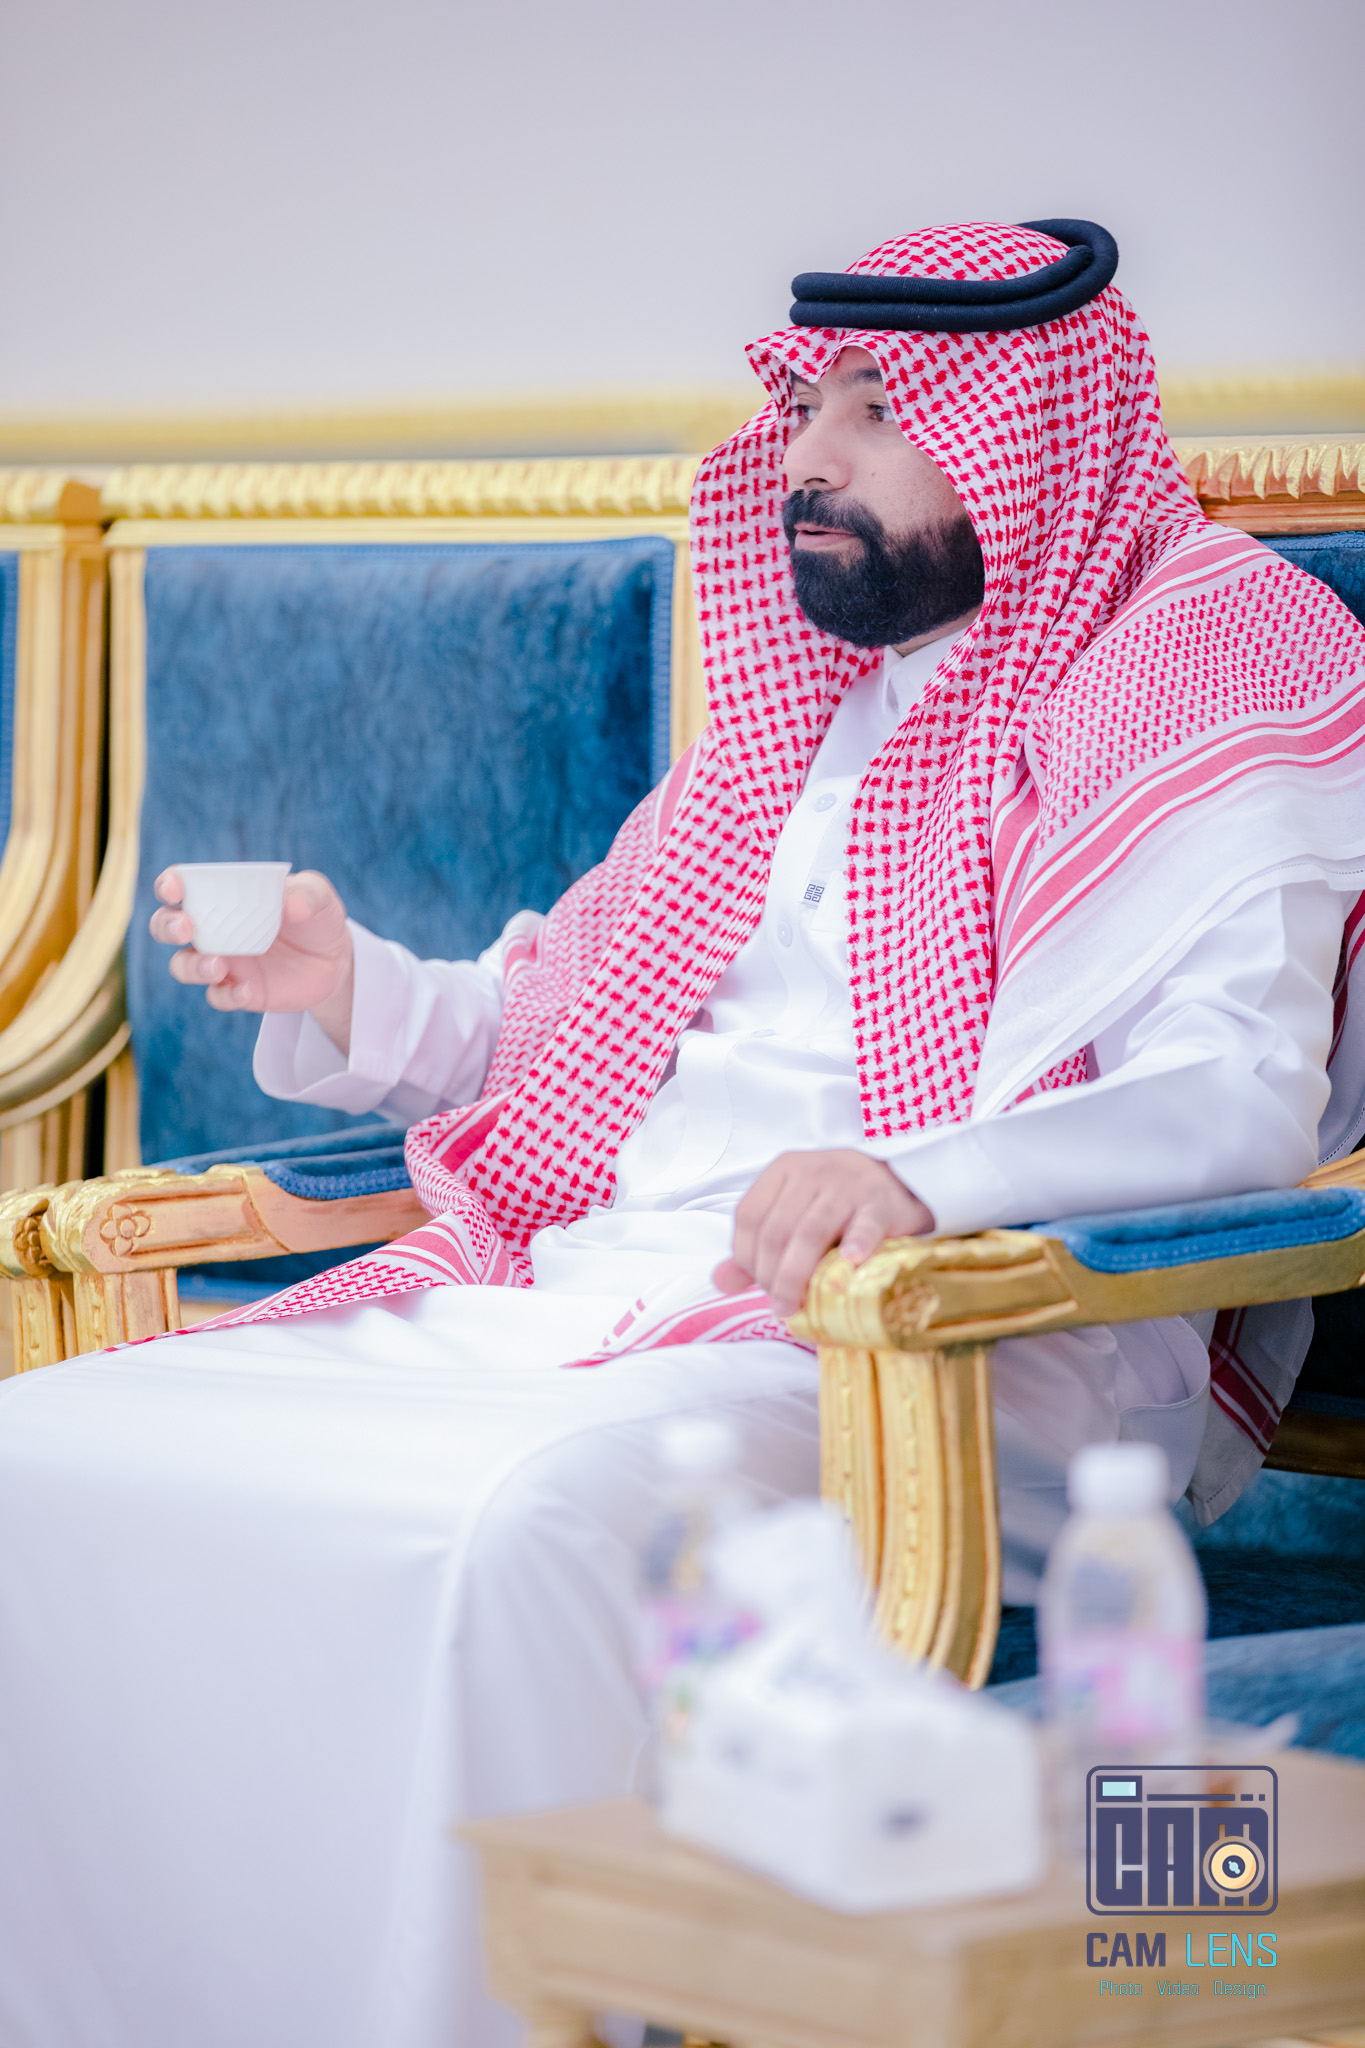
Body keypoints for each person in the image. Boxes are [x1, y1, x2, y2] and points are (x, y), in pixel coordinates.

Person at [2, 219, 1364, 2048]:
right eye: (804, 407)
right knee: (46, 1450)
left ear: (1033, 434)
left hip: (929, 1361)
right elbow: (577, 1042)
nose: (809, 457)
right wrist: (354, 987)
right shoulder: (797, 717)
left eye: (879, 411)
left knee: (516, 1529)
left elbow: (1233, 1097)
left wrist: (914, 1178)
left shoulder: (1196, 653)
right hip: (580, 1302)